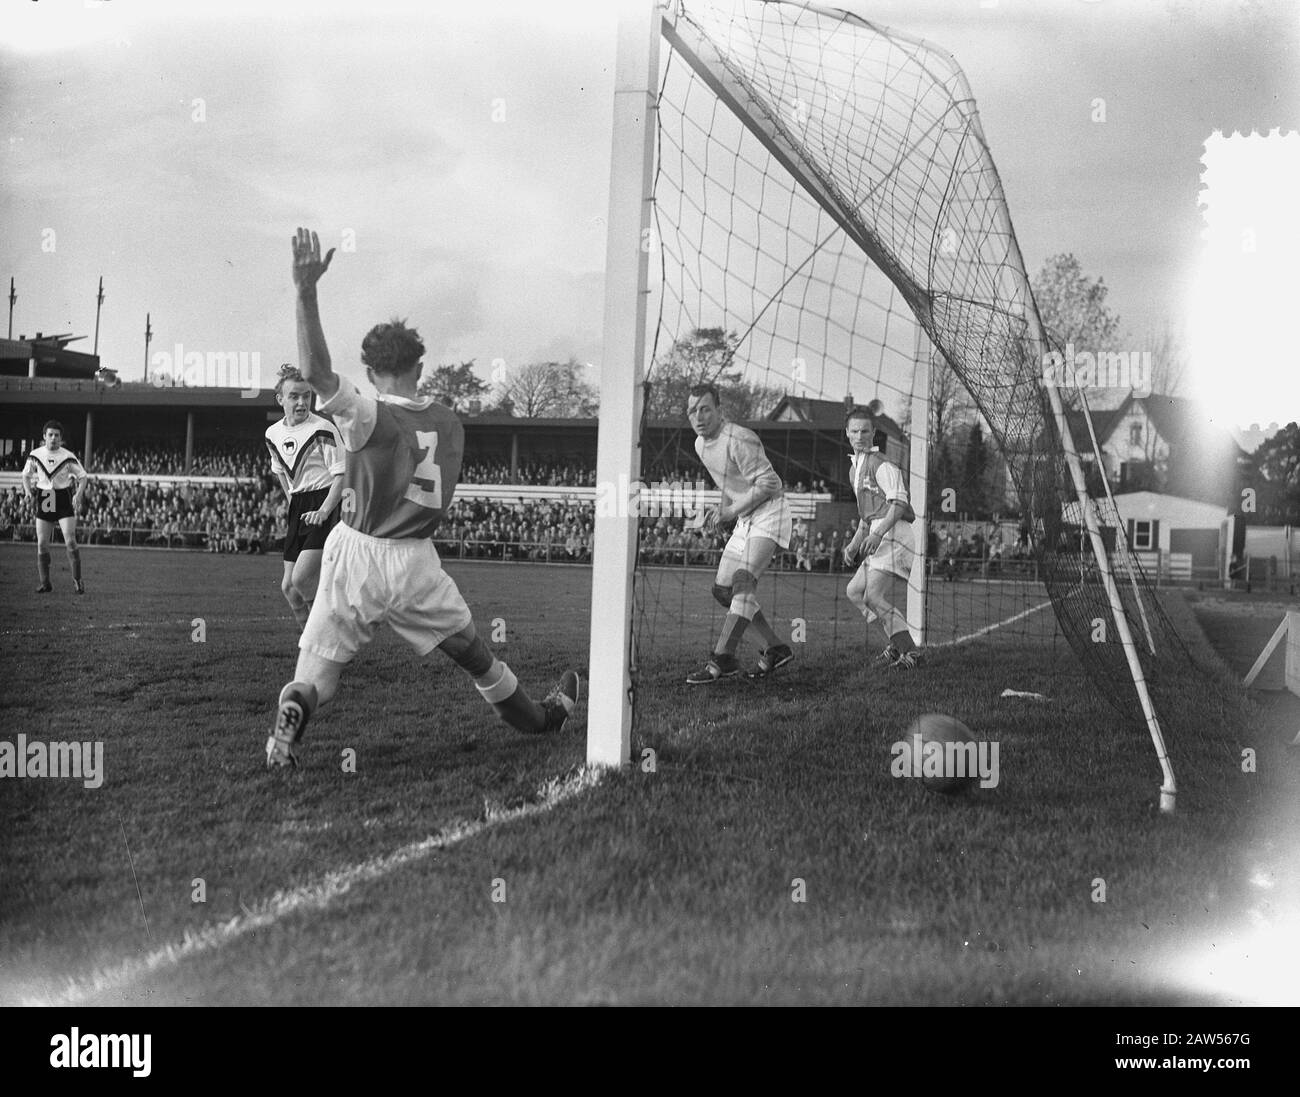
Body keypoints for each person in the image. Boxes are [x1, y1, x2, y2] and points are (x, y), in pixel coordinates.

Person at [266, 228, 578, 767]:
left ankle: (287, 728)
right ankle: (542, 718)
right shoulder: (450, 422)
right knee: (477, 658)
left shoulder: (368, 414)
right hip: (414, 562)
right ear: (421, 367)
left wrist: (305, 290)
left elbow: (315, 374)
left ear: (368, 373)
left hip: (355, 554)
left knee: (315, 678)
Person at [684, 383, 794, 683]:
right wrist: (723, 514)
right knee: (723, 590)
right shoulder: (699, 444)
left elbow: (770, 484)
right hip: (745, 517)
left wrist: (730, 512)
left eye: (705, 408)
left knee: (743, 582)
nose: (698, 416)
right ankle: (775, 648)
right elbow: (727, 483)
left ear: (719, 410)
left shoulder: (739, 438)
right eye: (692, 411)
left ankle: (721, 661)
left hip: (770, 511)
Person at [266, 364, 346, 629]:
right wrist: (291, 502)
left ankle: (329, 631)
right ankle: (309, 642)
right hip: (299, 505)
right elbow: (279, 471)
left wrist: (323, 511)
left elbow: (342, 475)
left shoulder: (323, 428)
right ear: (281, 399)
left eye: (307, 396)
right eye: (294, 396)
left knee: (301, 579)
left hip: (326, 503)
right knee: (288, 586)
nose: (302, 402)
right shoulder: (272, 434)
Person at [841, 406, 921, 669]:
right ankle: (895, 647)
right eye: (855, 431)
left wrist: (876, 534)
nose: (860, 435)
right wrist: (853, 546)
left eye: (865, 430)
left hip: (895, 533)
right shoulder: (854, 471)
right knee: (854, 592)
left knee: (872, 597)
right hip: (879, 534)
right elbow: (867, 516)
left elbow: (899, 504)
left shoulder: (882, 465)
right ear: (847, 434)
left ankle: (912, 653)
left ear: (874, 433)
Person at [21, 420, 89, 594]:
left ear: (61, 438)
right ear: (44, 437)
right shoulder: (35, 454)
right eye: (50, 435)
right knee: (42, 543)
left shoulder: (67, 455)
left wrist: (78, 494)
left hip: (63, 497)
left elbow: (83, 476)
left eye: (57, 435)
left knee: (70, 539)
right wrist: (28, 491)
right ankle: (45, 583)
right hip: (46, 497)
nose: (53, 438)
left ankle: (77, 580)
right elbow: (25, 475)